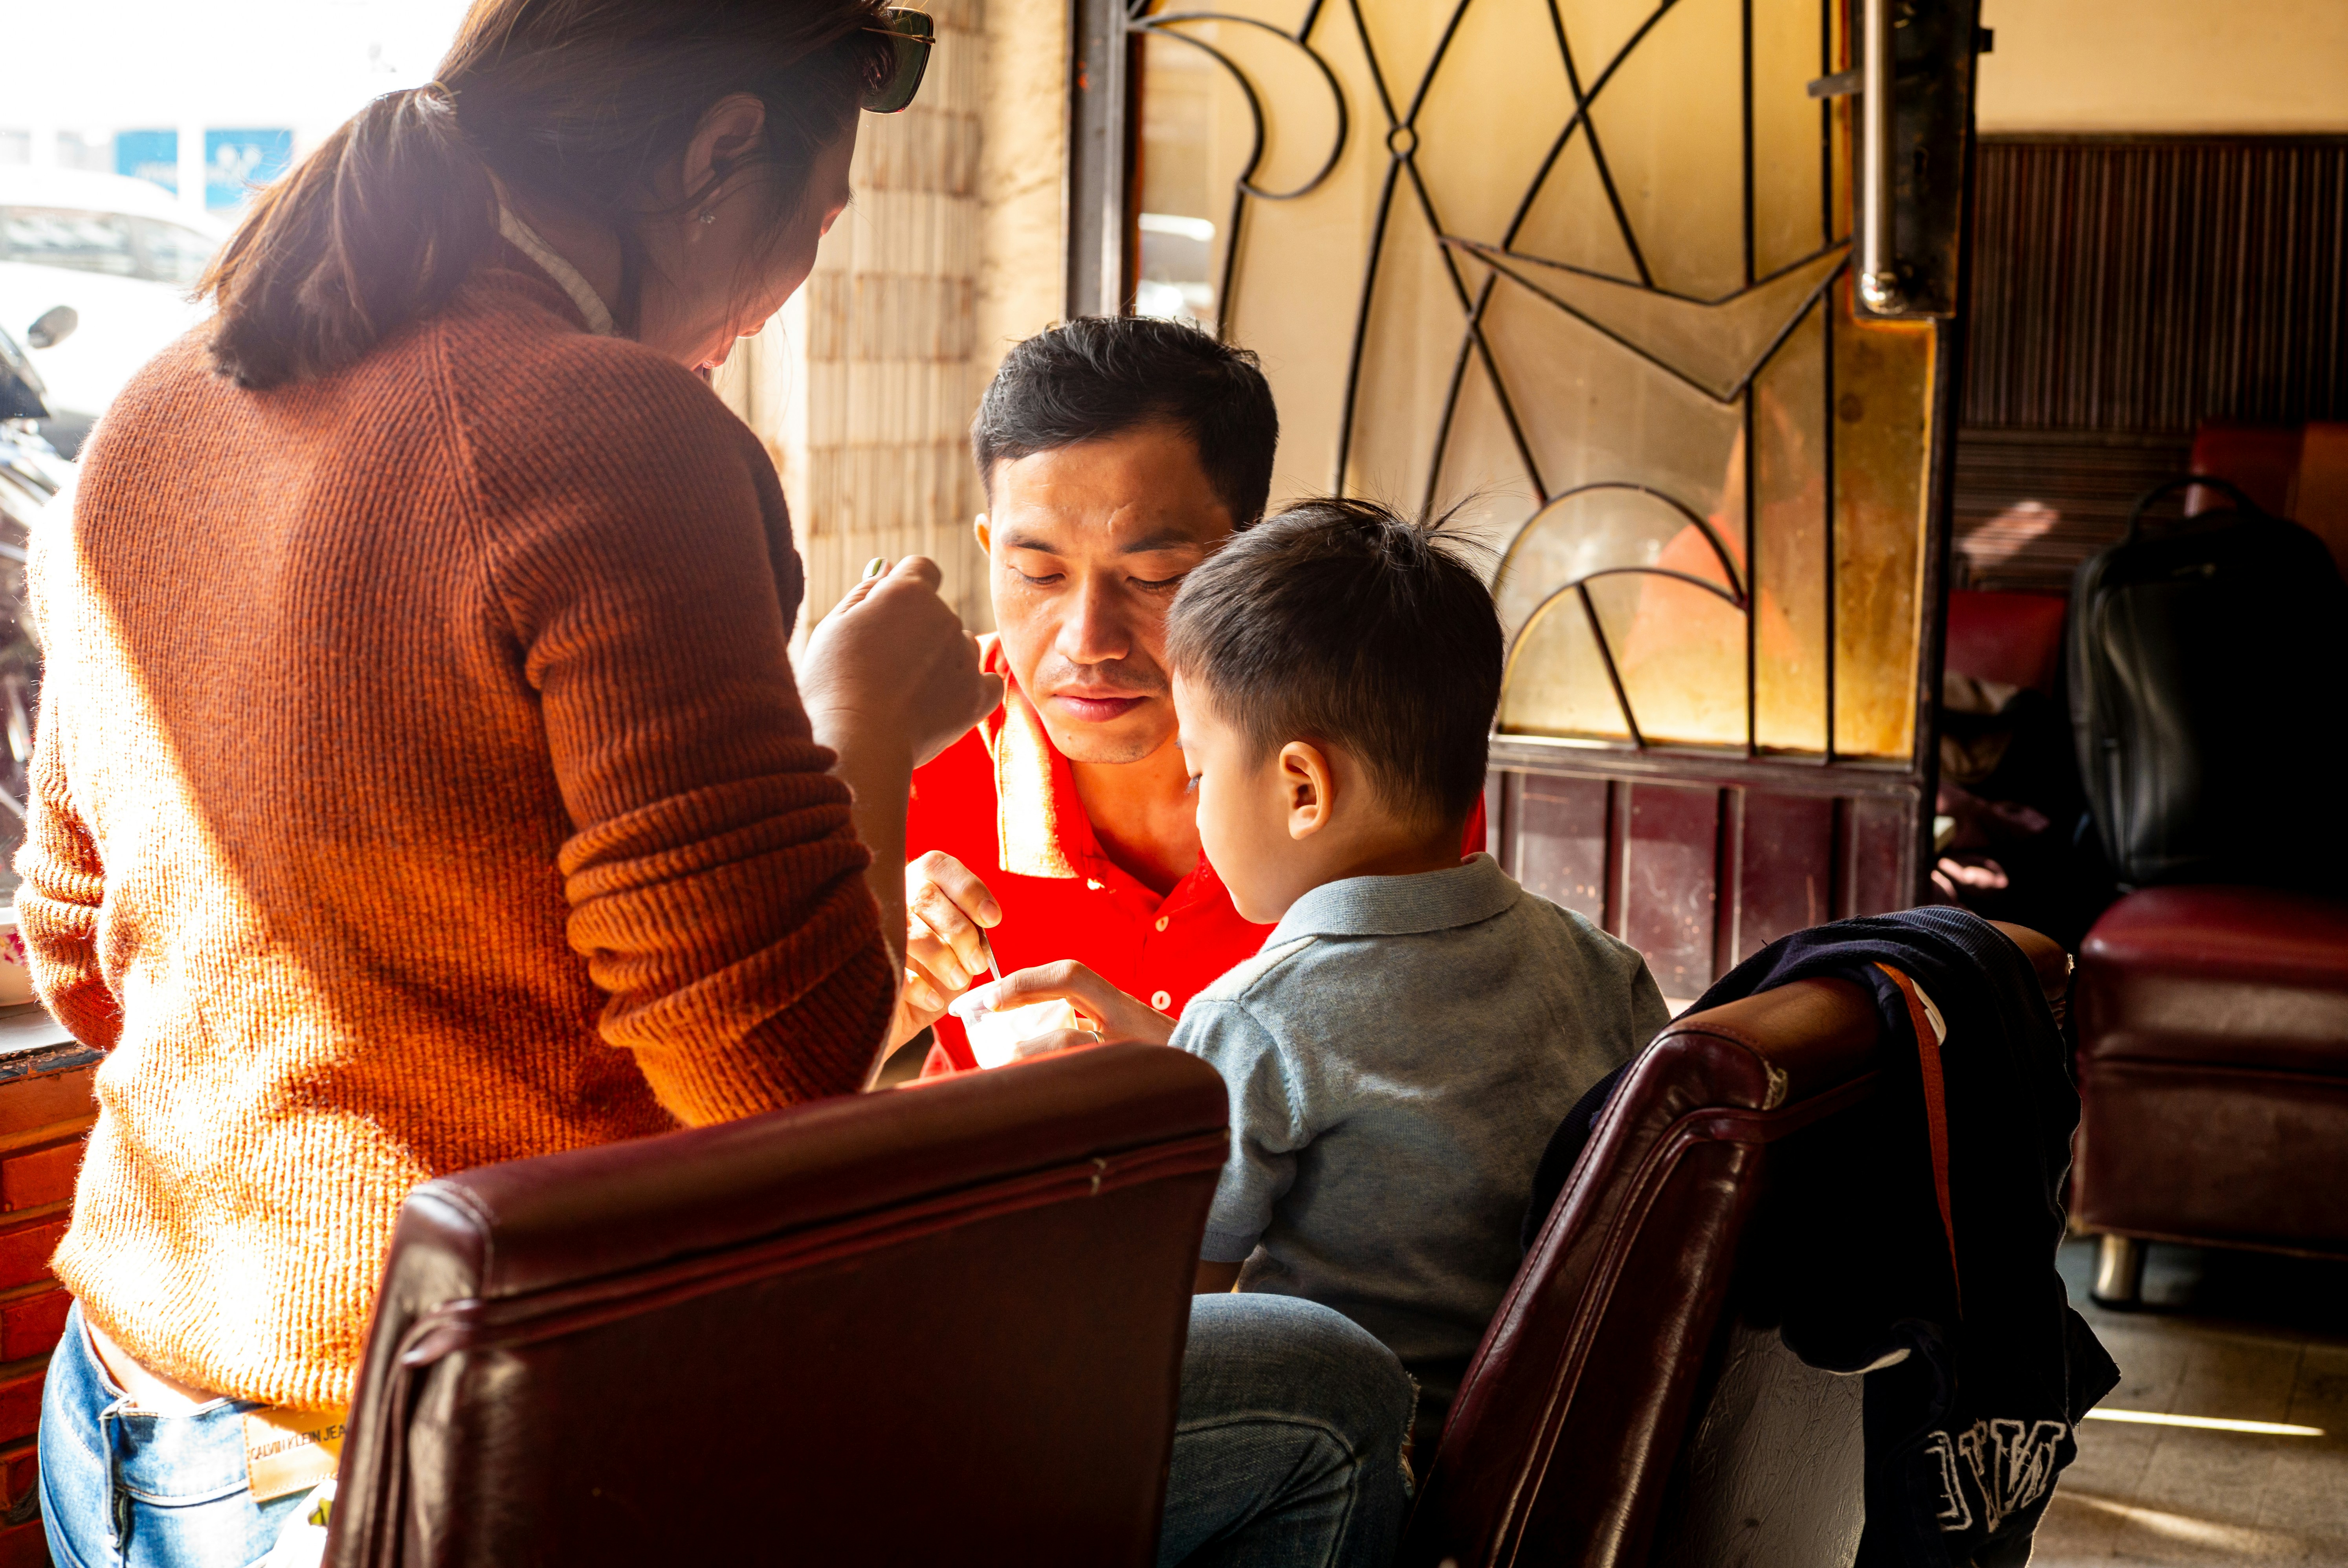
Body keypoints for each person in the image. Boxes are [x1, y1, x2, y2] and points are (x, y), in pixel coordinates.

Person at [20, 6, 1410, 1564]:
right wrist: (860, 711)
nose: (789, 288)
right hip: (443, 1441)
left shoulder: (153, 412)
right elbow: (772, 1085)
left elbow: (79, 962)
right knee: (1328, 1396)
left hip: (126, 1420)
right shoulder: (615, 432)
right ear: (721, 148)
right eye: (818, 219)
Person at [969, 499, 1669, 1449]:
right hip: (1536, 1456)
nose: (1198, 802)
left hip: (1341, 1477)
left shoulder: (1258, 1016)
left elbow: (1175, 1321)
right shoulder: (1604, 966)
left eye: (1202, 771)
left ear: (1303, 789)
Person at [894, 318, 1480, 1068]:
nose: (1086, 640)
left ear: (1250, 555)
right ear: (989, 552)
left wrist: (1198, 1078)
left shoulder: (1378, 745)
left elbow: (1438, 1100)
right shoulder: (917, 744)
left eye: (1155, 577)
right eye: (1039, 575)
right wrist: (862, 988)